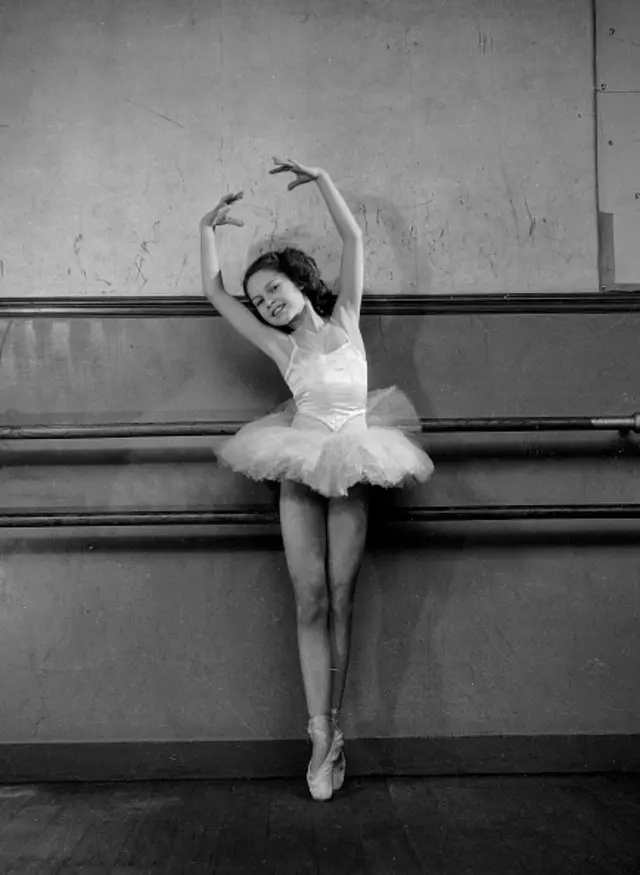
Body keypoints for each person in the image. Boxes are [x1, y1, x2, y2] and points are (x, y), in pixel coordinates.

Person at [199, 157, 434, 801]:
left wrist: (324, 179)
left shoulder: (348, 319)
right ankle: (318, 734)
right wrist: (206, 230)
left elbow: (353, 238)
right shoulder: (281, 346)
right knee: (309, 599)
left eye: (274, 289)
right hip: (300, 461)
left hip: (355, 459)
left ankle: (337, 734)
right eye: (260, 300)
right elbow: (216, 294)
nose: (269, 303)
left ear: (301, 283)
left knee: (341, 595)